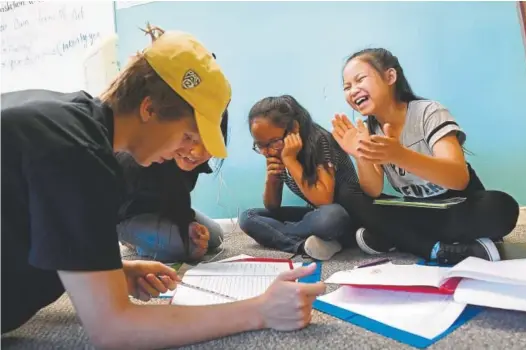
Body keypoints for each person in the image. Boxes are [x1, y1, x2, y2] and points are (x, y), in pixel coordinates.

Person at [1, 25, 325, 348]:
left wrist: (113, 271)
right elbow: (115, 329)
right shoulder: (80, 153)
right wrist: (260, 310)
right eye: (186, 137)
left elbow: (22, 229)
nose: (182, 152)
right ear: (148, 108)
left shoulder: (67, 119)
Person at [332, 48, 520, 265]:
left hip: (456, 206)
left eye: (359, 80)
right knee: (348, 192)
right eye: (347, 87)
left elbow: (459, 179)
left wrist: (401, 155)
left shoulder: (429, 112)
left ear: (390, 77)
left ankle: (397, 238)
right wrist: (360, 155)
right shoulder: (369, 130)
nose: (353, 90)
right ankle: (437, 248)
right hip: (418, 209)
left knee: (501, 207)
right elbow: (373, 190)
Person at [239, 95, 362, 261]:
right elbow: (272, 206)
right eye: (260, 145)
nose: (268, 151)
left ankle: (295, 235)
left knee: (331, 218)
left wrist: (290, 160)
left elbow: (324, 200)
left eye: (274, 142)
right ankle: (304, 245)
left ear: (294, 129)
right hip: (314, 215)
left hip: (344, 215)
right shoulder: (276, 150)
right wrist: (272, 178)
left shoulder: (320, 140)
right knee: (248, 217)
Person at [115, 109, 229, 263]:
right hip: (124, 215)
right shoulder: (139, 160)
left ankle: (157, 238)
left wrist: (188, 222)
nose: (197, 152)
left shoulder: (187, 158)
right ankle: (135, 242)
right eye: (189, 137)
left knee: (215, 236)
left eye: (209, 143)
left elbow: (178, 194)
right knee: (184, 248)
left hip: (162, 208)